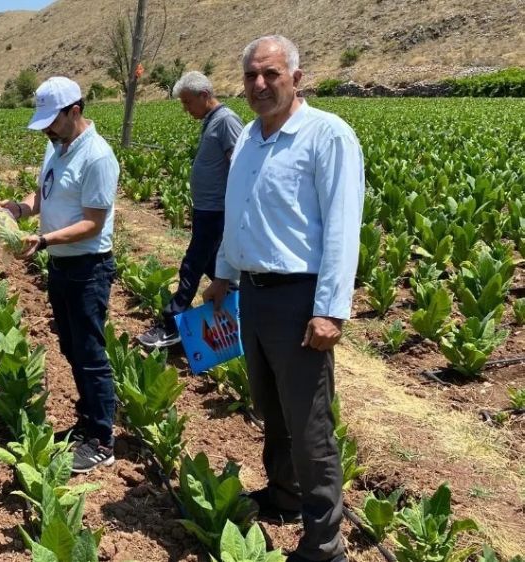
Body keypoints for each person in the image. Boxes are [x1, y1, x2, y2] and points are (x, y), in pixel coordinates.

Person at [201, 35, 364, 562]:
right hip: (253, 295)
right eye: (251, 75)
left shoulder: (327, 135)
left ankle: (325, 544)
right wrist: (223, 274)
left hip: (300, 299)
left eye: (270, 74)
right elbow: (239, 212)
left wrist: (330, 309)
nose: (259, 84)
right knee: (269, 406)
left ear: (297, 77)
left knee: (309, 423)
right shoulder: (249, 136)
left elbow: (342, 229)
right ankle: (284, 496)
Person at [3, 76, 120, 474]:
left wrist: (44, 239)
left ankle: (102, 439)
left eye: (53, 121)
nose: (48, 130)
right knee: (71, 348)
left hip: (88, 268)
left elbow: (93, 222)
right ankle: (86, 423)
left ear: (76, 111)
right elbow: (45, 194)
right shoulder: (57, 148)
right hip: (61, 264)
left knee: (90, 353)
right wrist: (19, 209)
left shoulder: (98, 157)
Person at [137, 71, 244, 349]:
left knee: (192, 265)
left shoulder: (226, 121)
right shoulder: (212, 121)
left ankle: (172, 325)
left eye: (187, 102)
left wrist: (232, 210)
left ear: (204, 96)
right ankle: (241, 313)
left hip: (217, 211)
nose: (185, 109)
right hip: (206, 209)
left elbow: (240, 168)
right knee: (212, 265)